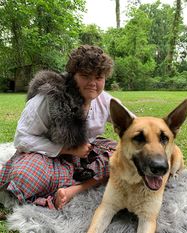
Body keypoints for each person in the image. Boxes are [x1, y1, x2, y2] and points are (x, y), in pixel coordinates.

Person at [0, 45, 118, 210]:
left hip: (85, 158)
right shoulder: (49, 98)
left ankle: (74, 190)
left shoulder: (105, 100)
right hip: (47, 158)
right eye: (85, 76)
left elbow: (133, 123)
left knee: (124, 157)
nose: (93, 83)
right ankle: (63, 188)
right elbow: (22, 139)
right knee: (24, 176)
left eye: (98, 77)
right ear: (73, 76)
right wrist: (67, 149)